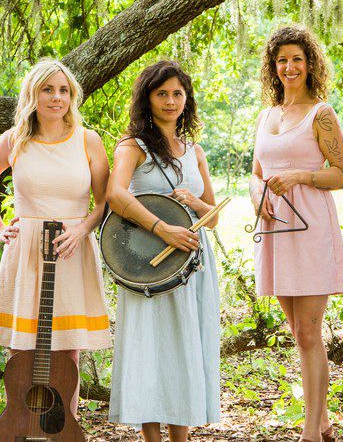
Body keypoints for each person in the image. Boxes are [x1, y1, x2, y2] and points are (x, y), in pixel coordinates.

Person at [0, 58, 112, 416]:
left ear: (72, 97)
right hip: (26, 250)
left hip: (71, 249)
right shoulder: (14, 140)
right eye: (48, 90)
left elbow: (105, 200)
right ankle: (21, 425)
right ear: (32, 94)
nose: (57, 98)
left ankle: (65, 427)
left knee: (67, 350)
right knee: (22, 349)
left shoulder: (88, 140)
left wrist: (82, 229)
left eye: (64, 91)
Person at [106, 60, 221, 442]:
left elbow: (213, 217)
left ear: (187, 99)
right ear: (147, 98)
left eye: (177, 94)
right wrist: (162, 228)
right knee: (150, 348)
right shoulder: (132, 146)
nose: (171, 101)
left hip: (192, 261)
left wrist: (195, 203)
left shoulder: (194, 151)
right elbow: (115, 195)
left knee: (184, 345)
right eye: (162, 94)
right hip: (146, 261)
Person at [250, 26, 343, 442]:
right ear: (273, 67)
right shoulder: (266, 116)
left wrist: (299, 176)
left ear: (310, 64)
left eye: (297, 59)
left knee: (309, 333)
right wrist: (258, 194)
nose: (289, 67)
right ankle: (323, 424)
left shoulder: (321, 114)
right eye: (282, 60)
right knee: (298, 333)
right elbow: (257, 172)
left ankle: (310, 432)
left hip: (310, 228)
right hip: (275, 228)